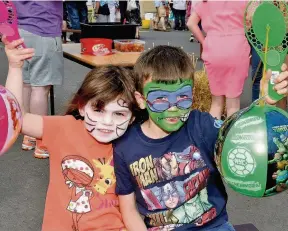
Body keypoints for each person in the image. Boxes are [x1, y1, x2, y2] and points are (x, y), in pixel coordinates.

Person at [113, 45, 288, 230]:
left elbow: (250, 136)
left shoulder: (201, 126)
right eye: (160, 98)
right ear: (141, 99)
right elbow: (129, 209)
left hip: (214, 226)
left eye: (182, 96)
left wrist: (271, 103)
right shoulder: (125, 147)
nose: (173, 108)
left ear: (192, 94)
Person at [4, 37, 138, 231]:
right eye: (98, 110)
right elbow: (18, 119)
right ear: (82, 107)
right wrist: (15, 67)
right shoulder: (63, 129)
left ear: (132, 117)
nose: (107, 122)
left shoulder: (134, 142)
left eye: (119, 114)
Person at [13, 1, 64, 159]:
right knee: (40, 88)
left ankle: (28, 135)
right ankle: (41, 141)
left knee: (27, 84)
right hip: (44, 29)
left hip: (21, 30)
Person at [187, 1, 250, 118]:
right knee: (233, 105)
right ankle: (229, 134)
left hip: (213, 47)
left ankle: (212, 133)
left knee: (216, 103)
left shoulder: (204, 1)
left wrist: (204, 41)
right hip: (237, 47)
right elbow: (252, 21)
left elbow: (191, 23)